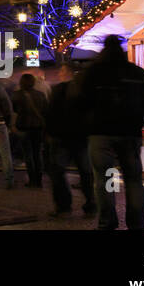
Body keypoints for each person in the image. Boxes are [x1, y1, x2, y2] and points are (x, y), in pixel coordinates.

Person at [74, 35, 144, 230]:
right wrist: (141, 121)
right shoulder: (135, 73)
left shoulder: (93, 73)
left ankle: (107, 221)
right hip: (130, 133)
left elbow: (78, 102)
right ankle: (137, 223)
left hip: (101, 133)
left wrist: (87, 123)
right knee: (133, 180)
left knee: (105, 179)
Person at [44, 62, 95, 216]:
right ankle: (91, 204)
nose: (59, 73)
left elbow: (51, 113)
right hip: (81, 137)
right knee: (86, 172)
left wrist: (50, 132)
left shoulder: (58, 90)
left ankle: (64, 206)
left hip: (62, 137)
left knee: (58, 171)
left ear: (68, 72)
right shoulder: (86, 91)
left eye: (62, 70)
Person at [12, 73, 48, 187]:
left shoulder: (16, 95)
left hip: (23, 127)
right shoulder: (40, 95)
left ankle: (32, 180)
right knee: (37, 153)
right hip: (38, 127)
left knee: (28, 154)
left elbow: (14, 109)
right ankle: (39, 180)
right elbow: (45, 110)